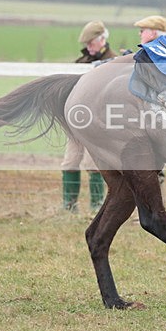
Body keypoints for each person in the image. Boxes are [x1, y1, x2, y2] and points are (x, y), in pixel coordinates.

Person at [61, 20, 117, 213]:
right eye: (86, 44)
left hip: (97, 124)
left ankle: (96, 206)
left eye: (91, 43)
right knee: (69, 162)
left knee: (93, 165)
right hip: (76, 122)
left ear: (102, 40)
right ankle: (69, 207)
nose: (88, 47)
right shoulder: (81, 63)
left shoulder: (114, 61)